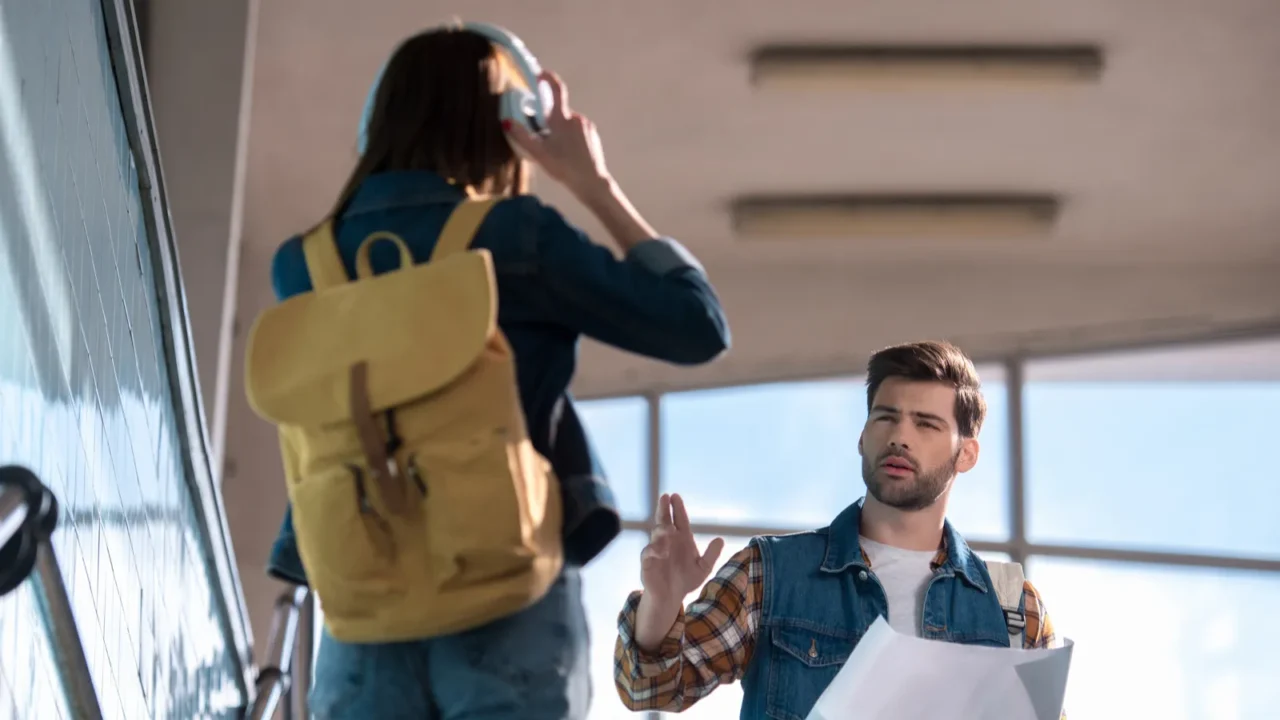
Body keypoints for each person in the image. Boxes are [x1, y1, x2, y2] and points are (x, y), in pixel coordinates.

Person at [264, 24, 730, 720]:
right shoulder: (516, 238)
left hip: (362, 602)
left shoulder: (303, 263)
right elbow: (696, 326)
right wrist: (592, 181)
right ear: (514, 126)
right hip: (506, 591)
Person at [614, 341, 1061, 719]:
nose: (899, 437)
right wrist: (662, 603)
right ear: (863, 437)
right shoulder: (768, 575)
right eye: (886, 417)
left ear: (966, 455)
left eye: (926, 424)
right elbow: (649, 689)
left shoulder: (1015, 610)